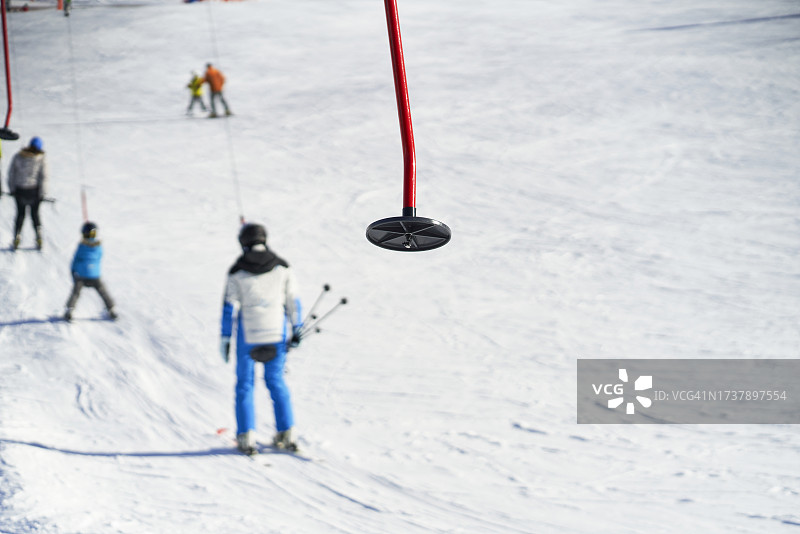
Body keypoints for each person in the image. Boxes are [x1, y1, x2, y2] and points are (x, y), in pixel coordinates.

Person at [220, 223, 303, 455]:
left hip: (249, 335)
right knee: (276, 381)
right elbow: (292, 301)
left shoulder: (237, 270)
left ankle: (247, 435)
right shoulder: (282, 267)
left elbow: (229, 308)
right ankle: (287, 432)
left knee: (245, 385)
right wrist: (297, 329)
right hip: (276, 333)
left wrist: (225, 338)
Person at [64, 221, 117, 322]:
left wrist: (73, 272)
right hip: (94, 276)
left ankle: (69, 310)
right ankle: (111, 309)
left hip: (81, 276)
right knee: (103, 291)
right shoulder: (99, 247)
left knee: (75, 293)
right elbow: (99, 257)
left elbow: (75, 260)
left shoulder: (81, 246)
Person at [7, 136, 48, 251]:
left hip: (20, 191)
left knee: (20, 214)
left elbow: (11, 173)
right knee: (35, 214)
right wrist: (42, 193)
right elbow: (44, 177)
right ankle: (38, 236)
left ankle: (17, 236)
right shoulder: (41, 158)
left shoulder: (18, 156)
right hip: (34, 191)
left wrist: (12, 189)